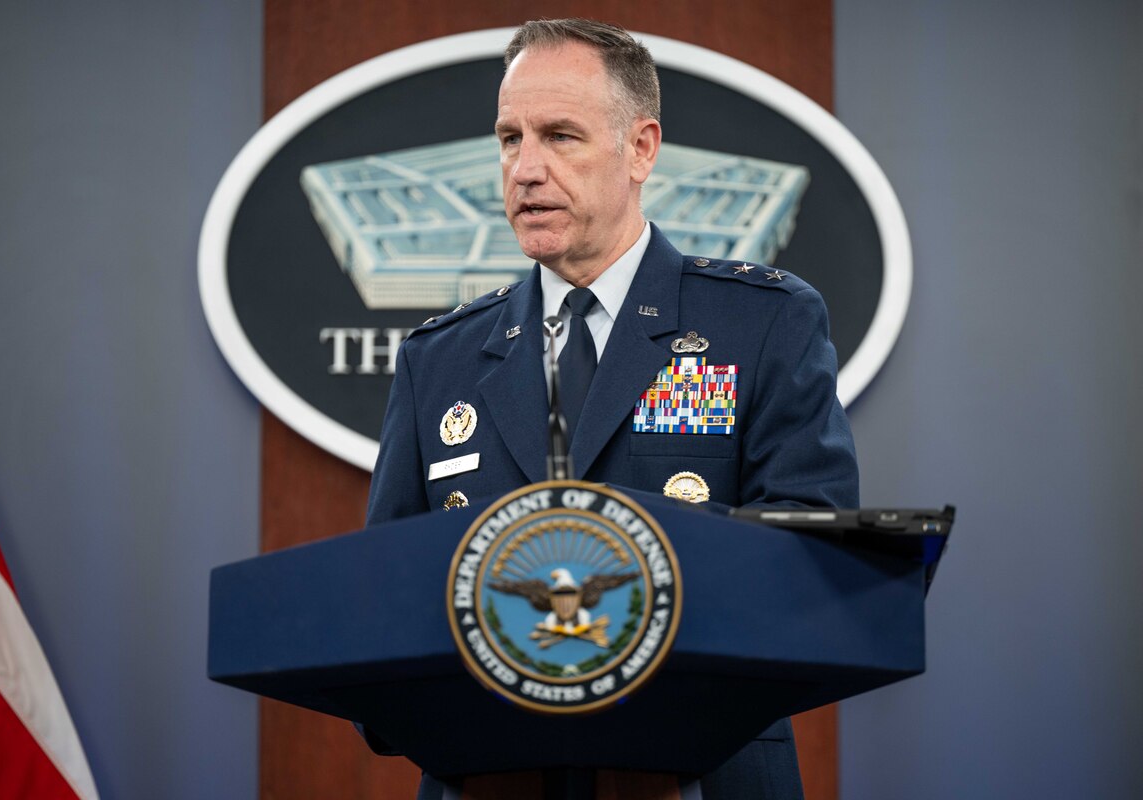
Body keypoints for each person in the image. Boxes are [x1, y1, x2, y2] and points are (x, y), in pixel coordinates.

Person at [367, 18, 858, 800]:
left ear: (641, 149)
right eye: (508, 138)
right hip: (490, 777)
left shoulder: (762, 323)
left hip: (702, 775)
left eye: (560, 136)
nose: (524, 169)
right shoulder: (440, 359)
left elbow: (812, 573)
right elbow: (380, 591)